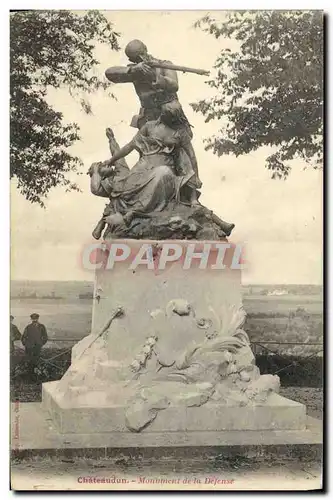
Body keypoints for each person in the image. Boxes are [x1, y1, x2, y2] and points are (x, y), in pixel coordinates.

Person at [89, 101, 202, 236]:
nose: (165, 116)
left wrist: (196, 177)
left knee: (162, 173)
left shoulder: (180, 133)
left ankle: (133, 213)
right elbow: (130, 146)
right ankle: (118, 216)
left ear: (175, 117)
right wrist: (112, 160)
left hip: (164, 172)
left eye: (169, 114)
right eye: (165, 113)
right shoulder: (150, 127)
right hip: (141, 169)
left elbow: (191, 156)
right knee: (125, 189)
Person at [105, 39, 190, 131]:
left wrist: (156, 77)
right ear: (132, 60)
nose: (142, 58)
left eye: (142, 54)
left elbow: (174, 85)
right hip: (149, 118)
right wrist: (132, 70)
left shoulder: (164, 65)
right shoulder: (136, 71)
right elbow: (109, 73)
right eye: (137, 58)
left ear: (146, 49)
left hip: (171, 115)